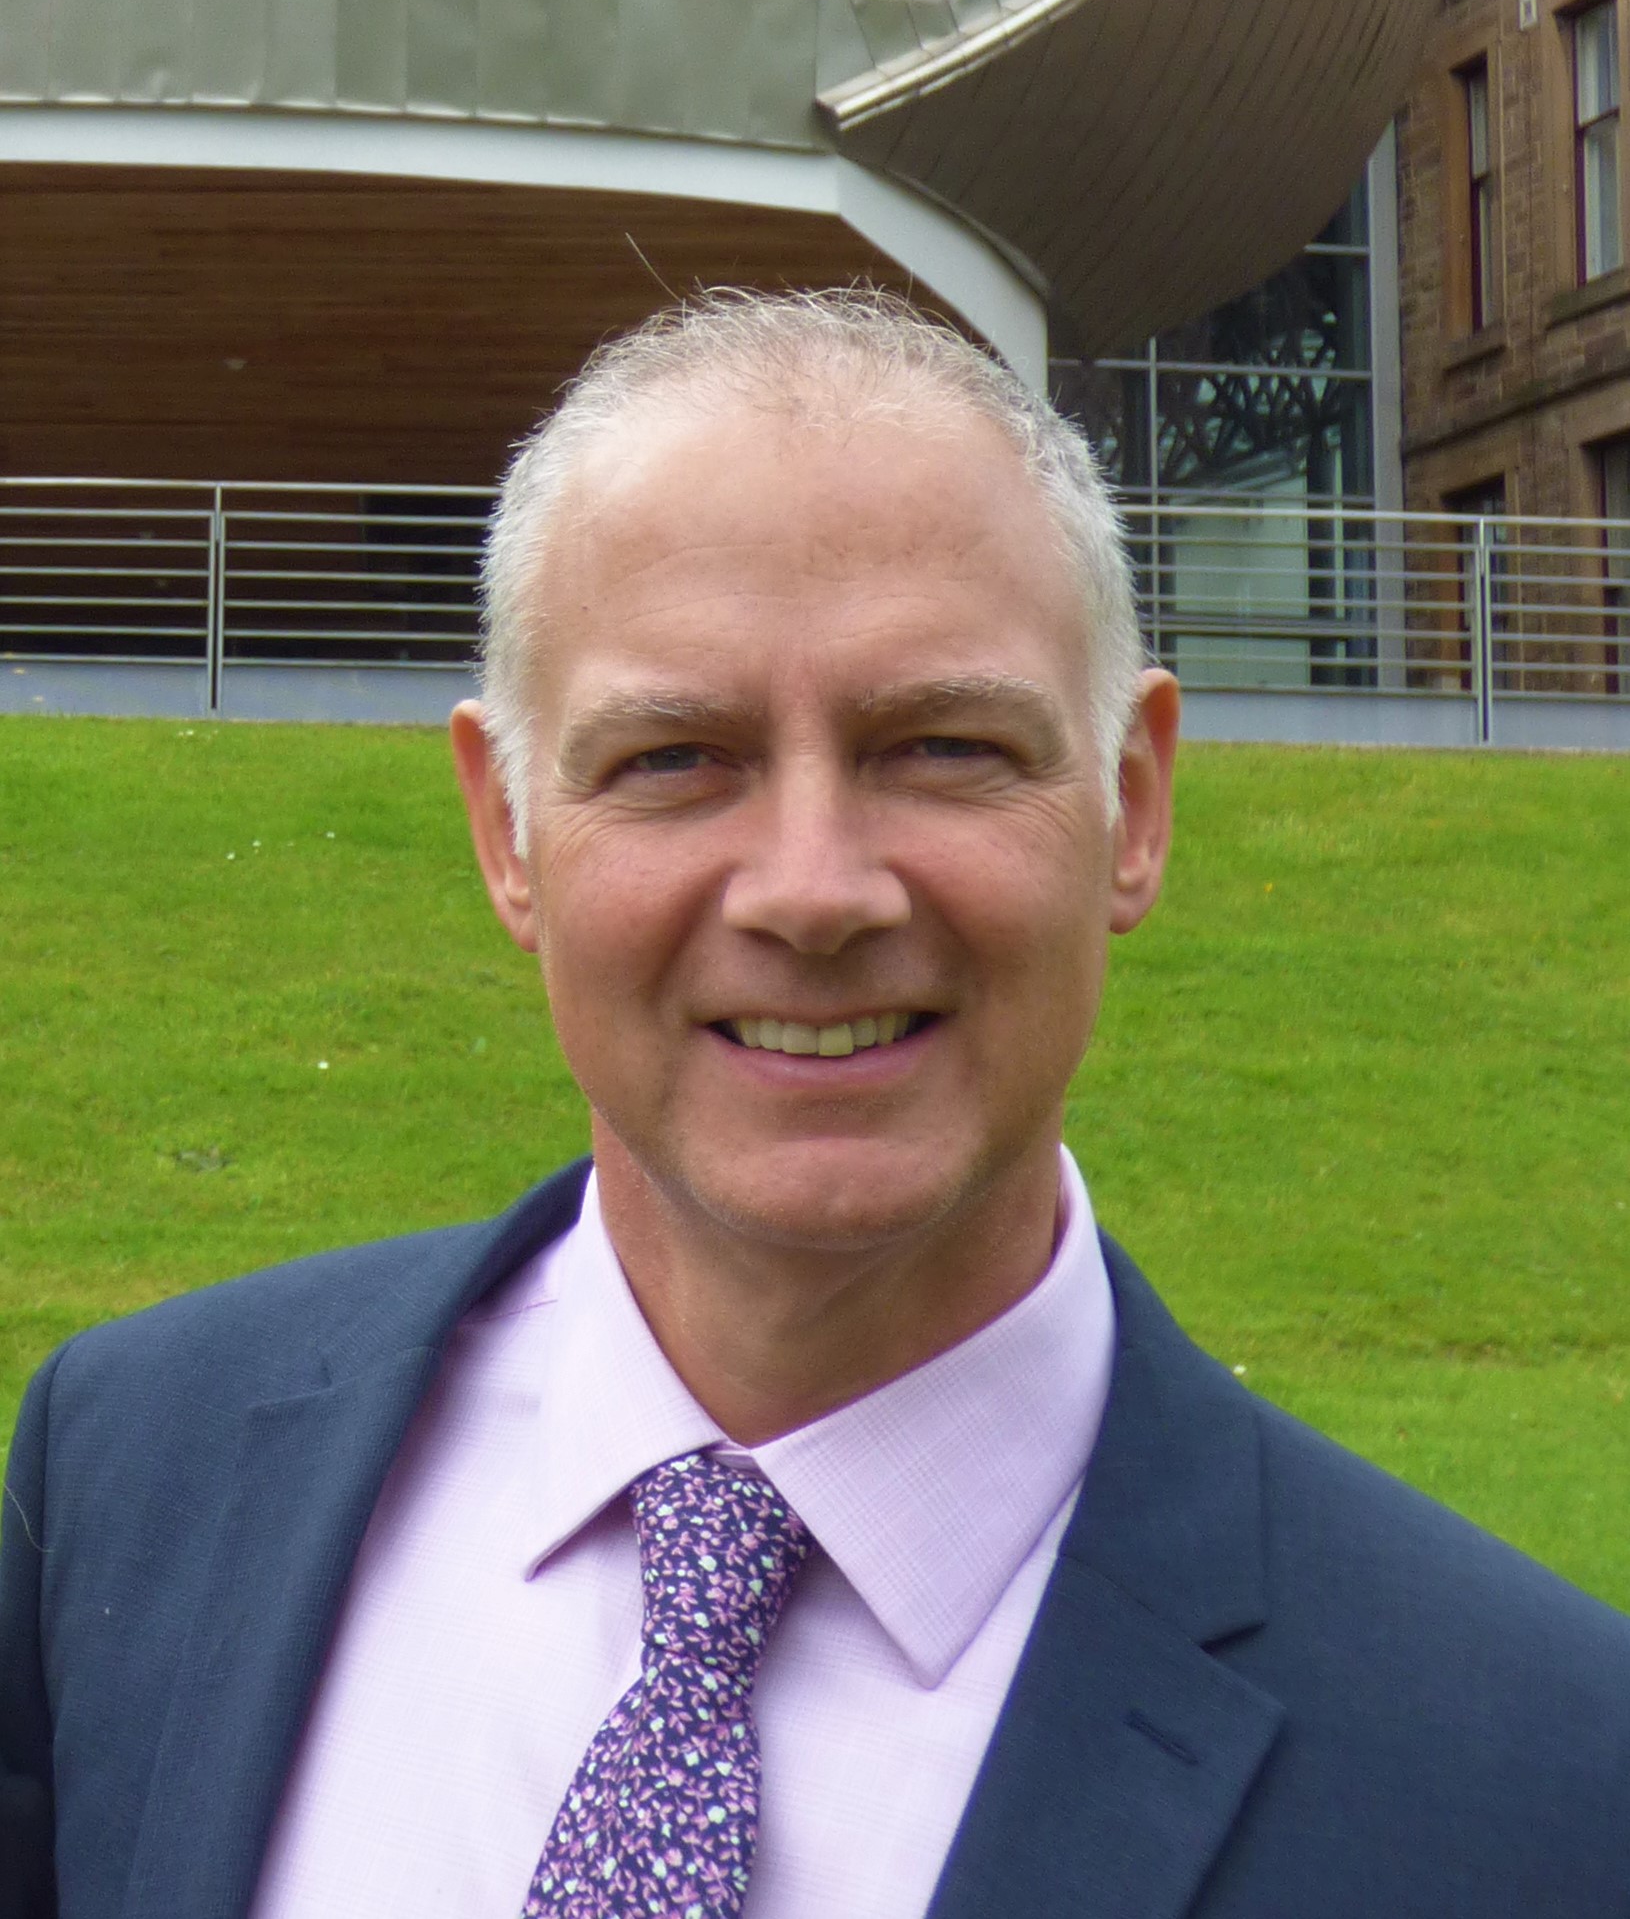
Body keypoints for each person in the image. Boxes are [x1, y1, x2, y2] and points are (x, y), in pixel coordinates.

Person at [3, 291, 1629, 1919]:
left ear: (1131, 807)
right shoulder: (131, 1483)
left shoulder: (1541, 1777)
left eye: (941, 746)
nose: (811, 891)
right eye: (672, 759)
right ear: (506, 833)